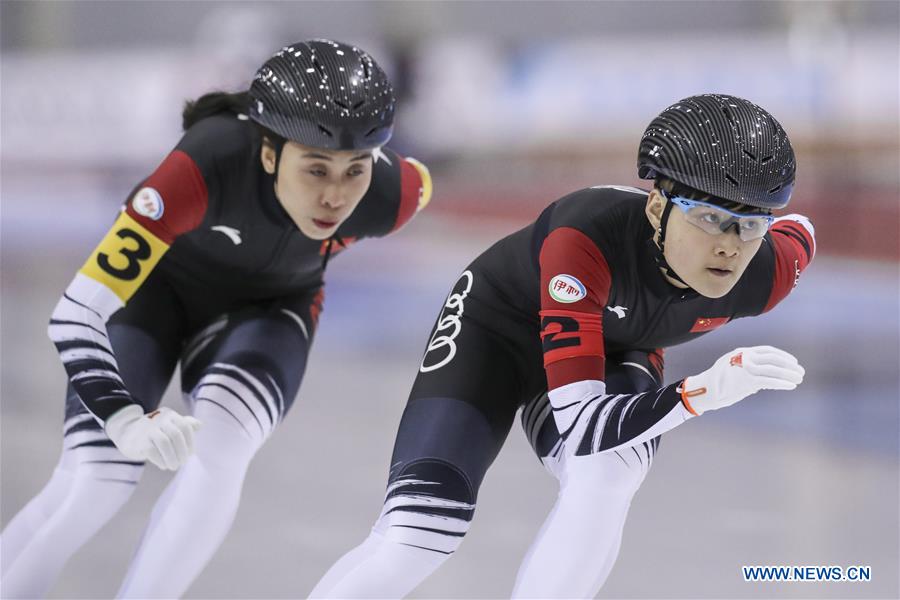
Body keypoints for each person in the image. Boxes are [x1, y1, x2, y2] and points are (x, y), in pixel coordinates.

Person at [308, 94, 814, 599]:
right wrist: (700, 393)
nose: (730, 244)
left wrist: (750, 229)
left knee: (607, 478)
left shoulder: (765, 273)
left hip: (616, 350)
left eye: (751, 224)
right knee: (419, 533)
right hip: (498, 333)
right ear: (657, 205)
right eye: (708, 217)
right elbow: (583, 427)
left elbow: (801, 231)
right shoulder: (586, 235)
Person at [0, 39, 432, 599]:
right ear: (269, 153)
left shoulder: (392, 195)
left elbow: (421, 177)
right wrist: (123, 417)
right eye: (316, 168)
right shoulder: (204, 165)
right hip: (155, 298)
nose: (335, 196)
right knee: (95, 480)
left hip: (270, 311)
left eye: (355, 170)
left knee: (223, 449)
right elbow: (76, 313)